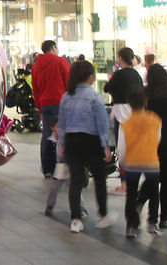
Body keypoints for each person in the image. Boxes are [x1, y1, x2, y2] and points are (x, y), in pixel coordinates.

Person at [57, 59, 117, 233]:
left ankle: (75, 220)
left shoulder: (66, 96)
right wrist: (106, 145)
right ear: (91, 77)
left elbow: (62, 123)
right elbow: (102, 124)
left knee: (75, 181)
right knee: (99, 178)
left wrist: (62, 143)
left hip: (72, 141)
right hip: (91, 141)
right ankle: (103, 215)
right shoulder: (94, 97)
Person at [142, 64, 167, 231]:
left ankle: (143, 206)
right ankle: (164, 219)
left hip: (150, 144)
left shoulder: (146, 98)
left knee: (152, 179)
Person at [120, 89, 161, 239]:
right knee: (154, 193)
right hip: (151, 161)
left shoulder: (125, 124)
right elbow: (158, 139)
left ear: (130, 105)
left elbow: (122, 147)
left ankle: (131, 226)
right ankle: (152, 223)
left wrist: (124, 163)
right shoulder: (156, 120)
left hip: (132, 162)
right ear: (146, 103)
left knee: (131, 194)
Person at [105, 47, 144, 195]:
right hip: (134, 113)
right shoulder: (136, 75)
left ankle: (124, 185)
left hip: (120, 113)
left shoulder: (119, 74)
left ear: (121, 58)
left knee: (122, 149)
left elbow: (107, 88)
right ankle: (133, 182)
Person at [32, 40, 70, 179]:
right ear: (53, 48)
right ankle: (61, 167)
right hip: (61, 103)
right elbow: (69, 82)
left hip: (45, 105)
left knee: (47, 135)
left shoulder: (36, 66)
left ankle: (47, 168)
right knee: (61, 135)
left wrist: (40, 109)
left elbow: (35, 90)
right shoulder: (61, 61)